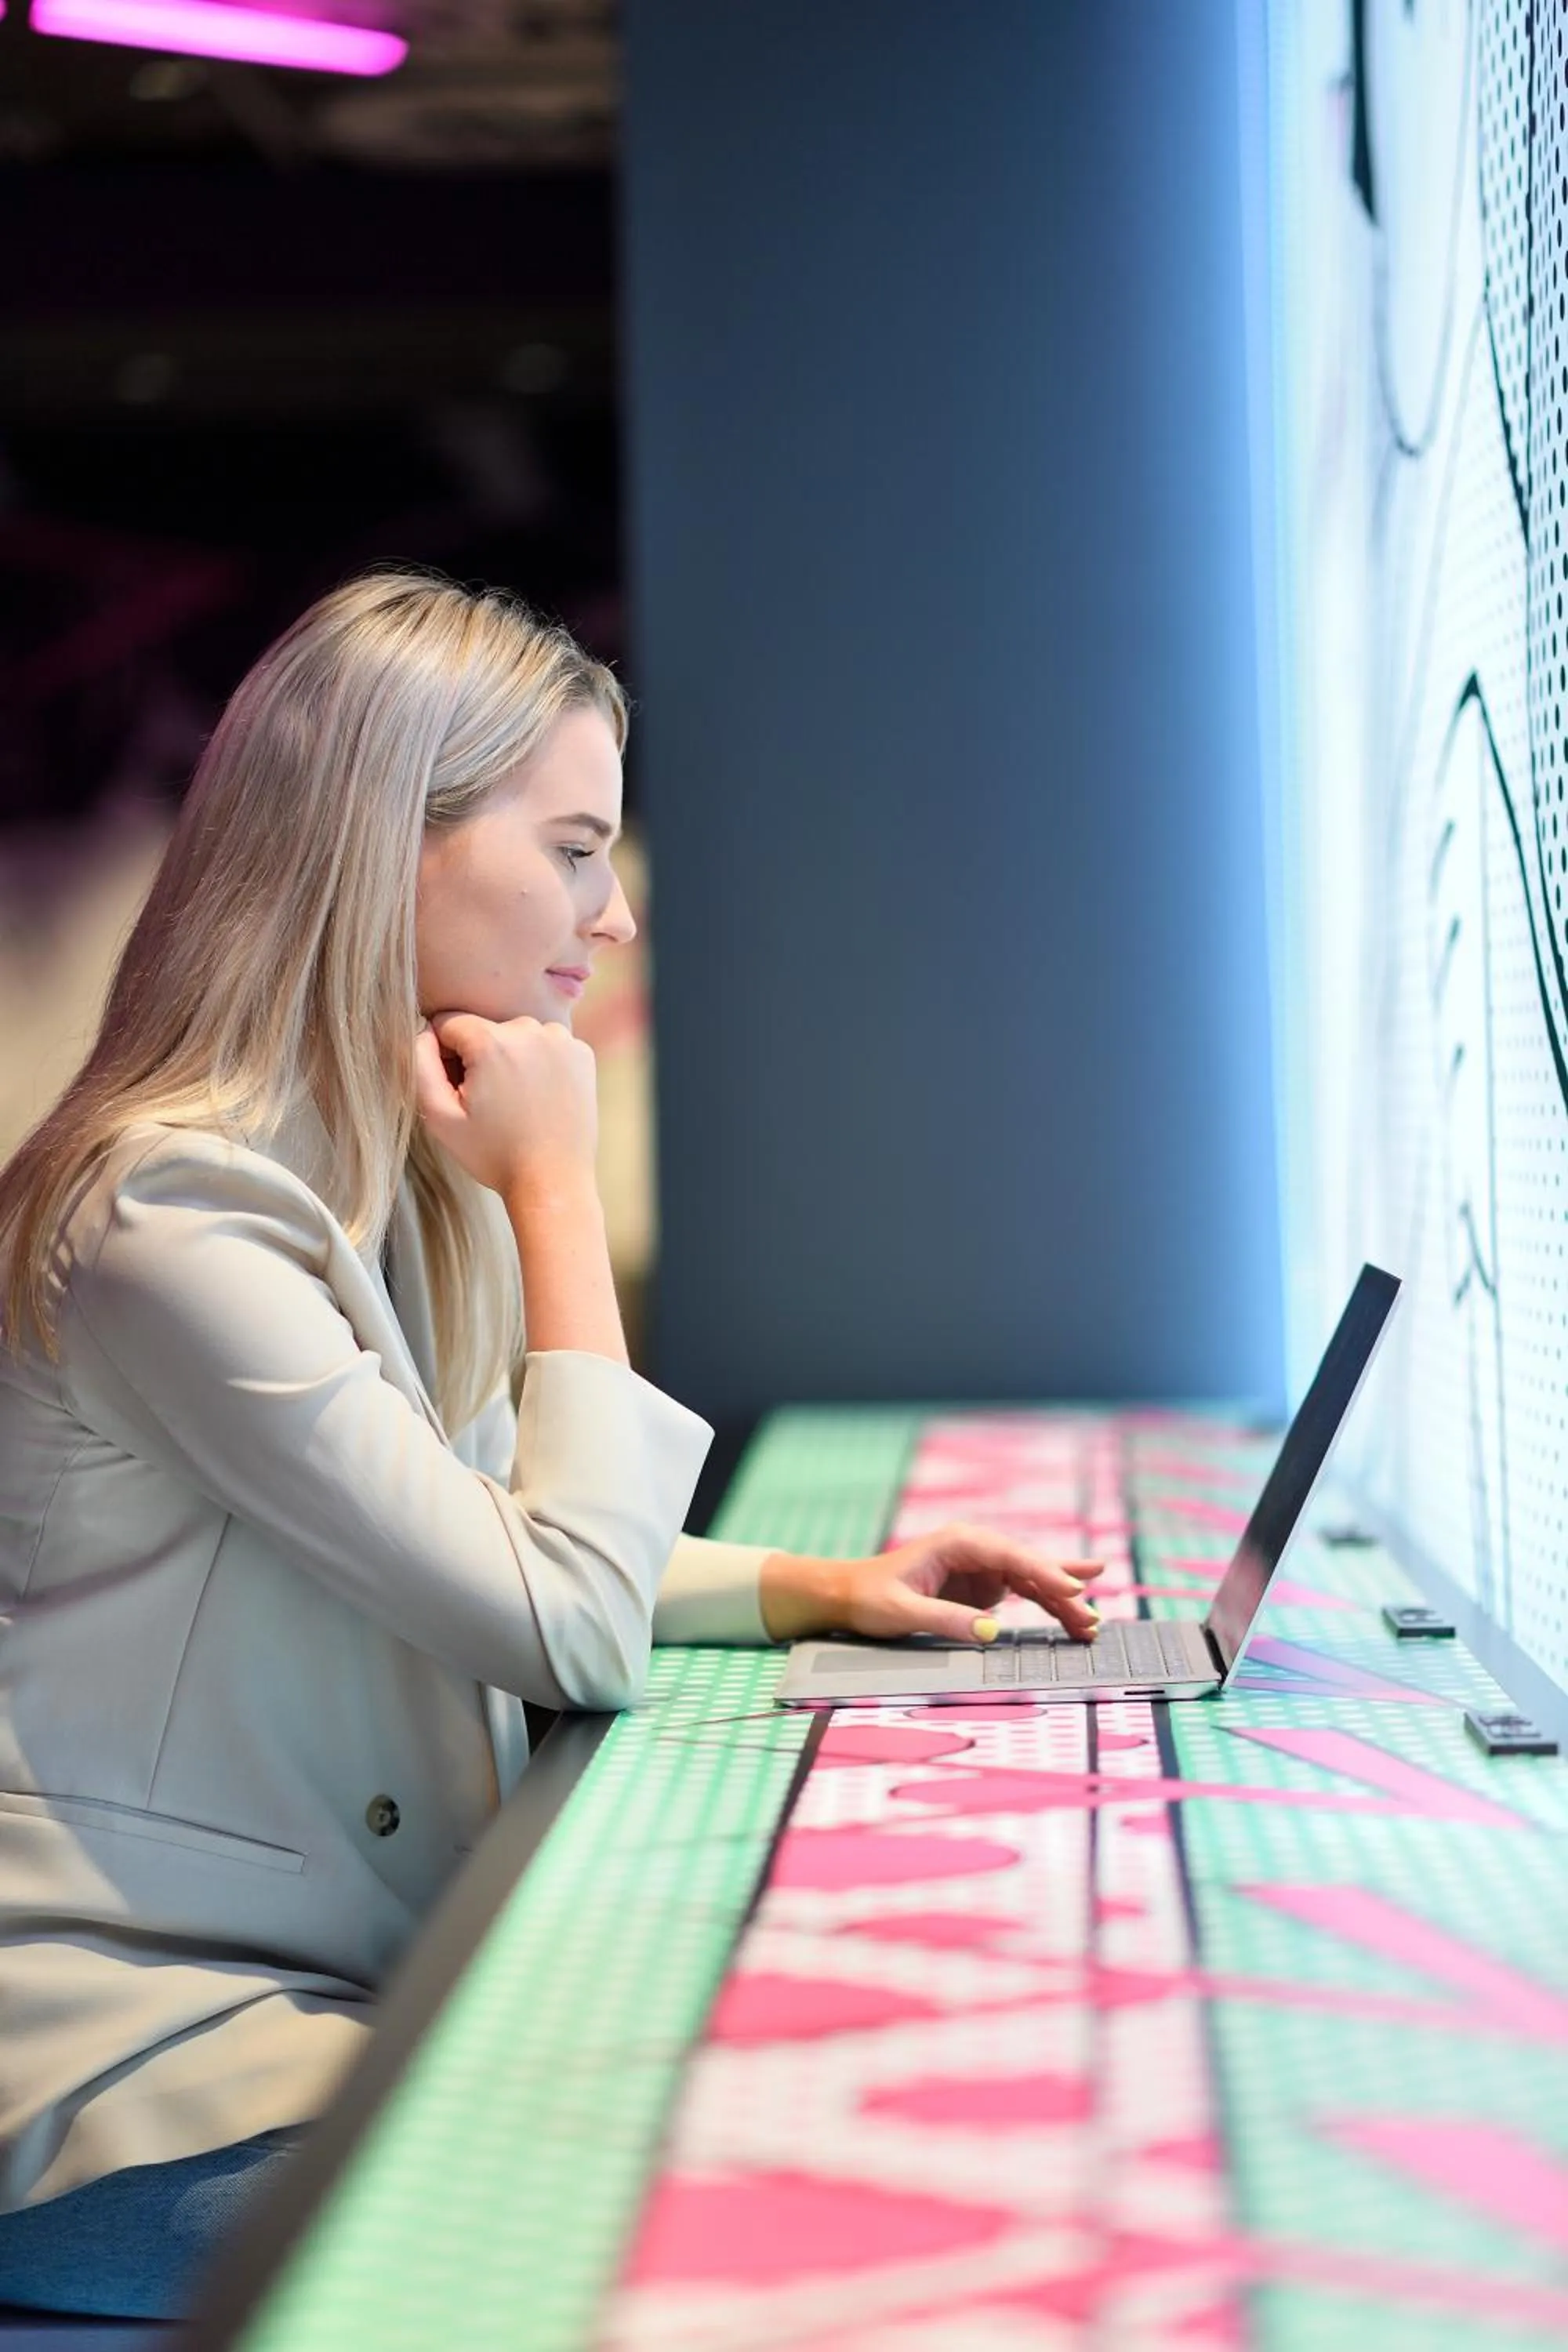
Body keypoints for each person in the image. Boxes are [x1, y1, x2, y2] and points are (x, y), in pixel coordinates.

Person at [0, 571, 1100, 2319]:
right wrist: (556, 1187)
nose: (618, 913)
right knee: (744, 2198)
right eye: (578, 850)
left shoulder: (354, 1172)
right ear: (387, 848)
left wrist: (820, 1585)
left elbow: (499, 1531)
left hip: (308, 2006)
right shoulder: (170, 1219)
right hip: (140, 2075)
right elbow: (563, 1617)